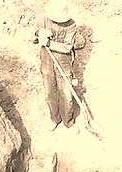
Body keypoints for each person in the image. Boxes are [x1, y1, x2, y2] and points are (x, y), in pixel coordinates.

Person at [36, 0, 77, 131]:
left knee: (66, 94)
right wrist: (38, 34)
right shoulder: (43, 20)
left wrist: (49, 44)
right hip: (47, 61)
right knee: (49, 92)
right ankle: (55, 118)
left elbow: (67, 47)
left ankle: (68, 122)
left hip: (63, 62)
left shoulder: (71, 25)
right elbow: (32, 38)